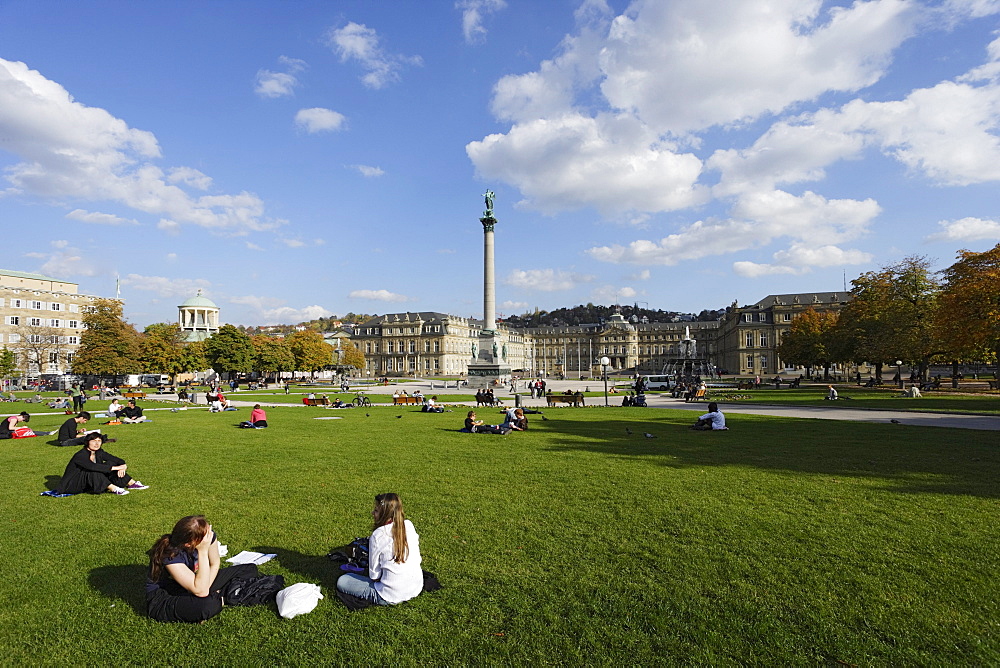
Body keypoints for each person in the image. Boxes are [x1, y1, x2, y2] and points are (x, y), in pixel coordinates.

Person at [146, 515, 262, 623]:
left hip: (191, 586)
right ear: (189, 544)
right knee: (209, 605)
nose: (210, 535)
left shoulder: (207, 537)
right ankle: (222, 598)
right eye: (206, 535)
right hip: (166, 596)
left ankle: (214, 595)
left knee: (249, 569)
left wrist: (206, 587)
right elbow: (201, 591)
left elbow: (215, 563)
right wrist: (202, 551)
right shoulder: (170, 555)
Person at [336, 493, 423, 606]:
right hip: (416, 587)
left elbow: (374, 576)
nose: (372, 513)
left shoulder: (378, 535)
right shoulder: (408, 525)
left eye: (376, 511)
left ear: (385, 515)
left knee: (343, 581)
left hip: (389, 595)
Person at [54, 431, 146, 495]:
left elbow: (116, 459)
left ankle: (132, 483)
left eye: (99, 441)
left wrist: (123, 466)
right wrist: (116, 468)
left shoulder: (99, 452)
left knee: (110, 463)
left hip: (89, 482)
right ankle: (114, 489)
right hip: (73, 485)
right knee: (93, 470)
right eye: (93, 441)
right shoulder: (80, 455)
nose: (97, 444)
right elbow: (92, 466)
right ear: (87, 442)